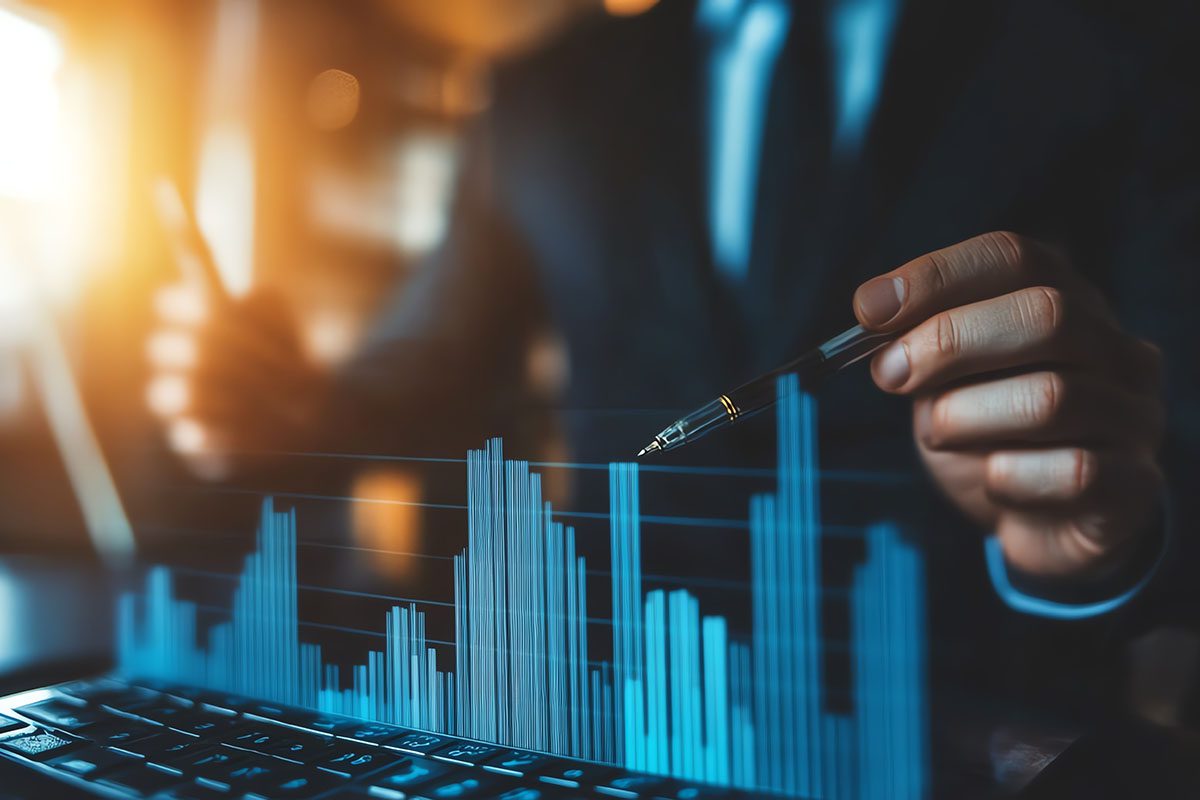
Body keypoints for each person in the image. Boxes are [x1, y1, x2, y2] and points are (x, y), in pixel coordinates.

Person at [151, 0, 1200, 769]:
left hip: (967, 738)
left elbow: (1178, 435)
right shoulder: (546, 93)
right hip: (617, 720)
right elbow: (420, 372)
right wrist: (286, 407)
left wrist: (1109, 528)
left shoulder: (1116, 50)